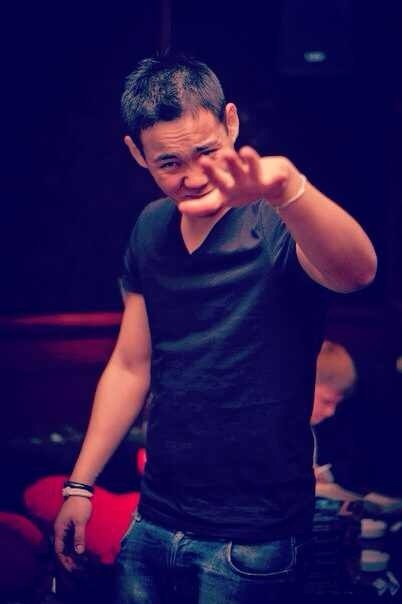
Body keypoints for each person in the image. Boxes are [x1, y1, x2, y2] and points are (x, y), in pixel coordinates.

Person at [54, 52, 377, 603]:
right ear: (138, 154)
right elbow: (131, 365)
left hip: (254, 537)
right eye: (169, 163)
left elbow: (358, 273)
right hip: (155, 518)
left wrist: (288, 188)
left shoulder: (278, 219)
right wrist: (80, 485)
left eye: (206, 151)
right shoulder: (150, 227)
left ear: (230, 122)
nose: (193, 175)